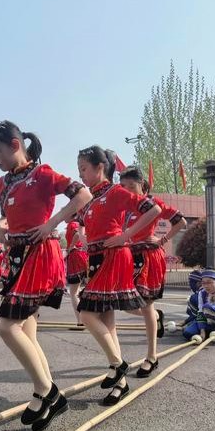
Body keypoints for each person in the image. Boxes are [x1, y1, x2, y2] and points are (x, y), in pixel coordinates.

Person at [0, 120, 91, 431]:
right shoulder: (2, 184)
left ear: (15, 145)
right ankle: (44, 391)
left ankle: (49, 392)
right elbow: (6, 217)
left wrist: (51, 223)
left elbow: (82, 194)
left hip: (40, 254)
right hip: (17, 257)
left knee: (7, 327)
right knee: (26, 332)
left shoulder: (43, 174)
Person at [76, 146, 163, 404]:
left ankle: (118, 363)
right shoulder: (91, 198)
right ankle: (120, 383)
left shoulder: (115, 192)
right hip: (97, 259)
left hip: (114, 257)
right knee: (107, 322)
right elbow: (82, 225)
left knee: (86, 314)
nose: (81, 175)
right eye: (79, 170)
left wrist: (125, 235)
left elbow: (153, 210)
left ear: (100, 168)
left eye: (84, 169)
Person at [119, 165, 187, 376]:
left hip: (148, 257)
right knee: (125, 305)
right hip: (129, 257)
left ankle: (151, 357)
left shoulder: (153, 203)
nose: (127, 190)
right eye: (123, 186)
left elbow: (181, 222)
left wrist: (162, 239)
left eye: (131, 186)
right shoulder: (123, 207)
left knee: (146, 304)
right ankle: (157, 316)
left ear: (143, 185)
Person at [64, 215, 88, 326]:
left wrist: (70, 247)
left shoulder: (72, 224)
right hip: (83, 254)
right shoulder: (78, 223)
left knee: (74, 292)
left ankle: (80, 320)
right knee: (85, 289)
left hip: (76, 256)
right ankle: (90, 317)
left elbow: (77, 234)